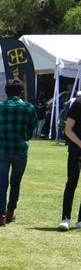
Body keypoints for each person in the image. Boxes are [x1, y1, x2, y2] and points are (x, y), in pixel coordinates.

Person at [0, 79, 38, 226]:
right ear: (21, 92)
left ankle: (1, 215)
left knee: (2, 183)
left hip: (4, 148)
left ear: (6, 91)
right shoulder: (28, 107)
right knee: (16, 183)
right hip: (20, 149)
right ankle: (10, 212)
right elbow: (33, 125)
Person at [58, 91, 81, 230]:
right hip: (75, 150)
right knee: (71, 183)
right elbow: (68, 129)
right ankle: (66, 218)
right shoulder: (78, 103)